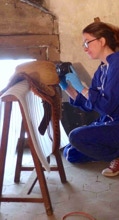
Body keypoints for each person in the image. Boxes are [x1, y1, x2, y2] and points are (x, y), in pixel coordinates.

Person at [59, 21, 119, 177]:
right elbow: (89, 104)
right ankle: (115, 154)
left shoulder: (117, 64)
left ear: (102, 41)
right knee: (71, 153)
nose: (85, 48)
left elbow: (106, 106)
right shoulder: (102, 68)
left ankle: (115, 156)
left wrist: (82, 88)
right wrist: (68, 88)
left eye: (87, 42)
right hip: (110, 121)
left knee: (76, 136)